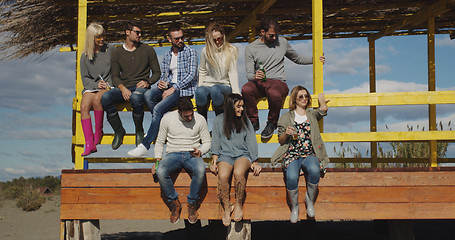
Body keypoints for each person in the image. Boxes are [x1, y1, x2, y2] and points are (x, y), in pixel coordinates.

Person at [242, 16, 325, 139]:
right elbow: (249, 75)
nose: (274, 38)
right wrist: (255, 76)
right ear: (262, 32)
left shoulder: (283, 43)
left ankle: (272, 123)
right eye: (271, 35)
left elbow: (297, 58)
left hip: (277, 82)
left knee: (274, 93)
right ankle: (253, 121)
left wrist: (316, 60)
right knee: (245, 89)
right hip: (259, 82)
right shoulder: (250, 48)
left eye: (276, 35)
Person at [128, 23, 198, 157]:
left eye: (182, 37)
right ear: (169, 39)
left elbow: (191, 75)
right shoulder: (167, 55)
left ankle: (145, 144)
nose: (180, 41)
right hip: (170, 86)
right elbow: (165, 75)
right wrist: (162, 83)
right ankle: (159, 124)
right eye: (176, 38)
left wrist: (173, 88)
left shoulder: (191, 52)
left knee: (158, 109)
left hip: (183, 90)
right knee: (148, 94)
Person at [271, 86, 330, 223]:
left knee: (315, 170)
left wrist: (321, 99)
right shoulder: (286, 118)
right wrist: (286, 133)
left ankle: (309, 201)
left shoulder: (311, 115)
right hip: (292, 154)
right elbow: (280, 141)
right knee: (291, 176)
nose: (304, 99)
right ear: (295, 100)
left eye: (306, 96)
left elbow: (323, 110)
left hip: (309, 153)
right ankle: (295, 207)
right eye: (301, 97)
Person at [101, 21, 161, 150]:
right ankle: (119, 131)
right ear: (127, 32)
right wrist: (122, 88)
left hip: (141, 87)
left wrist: (148, 82)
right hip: (125, 87)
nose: (140, 35)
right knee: (106, 98)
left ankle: (139, 130)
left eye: (141, 32)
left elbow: (157, 72)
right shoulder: (117, 52)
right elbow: (115, 76)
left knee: (136, 97)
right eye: (137, 32)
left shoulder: (148, 50)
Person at [152, 97, 211, 224]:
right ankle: (174, 203)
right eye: (186, 116)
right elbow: (160, 141)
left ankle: (192, 203)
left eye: (191, 115)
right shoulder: (167, 118)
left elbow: (207, 142)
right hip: (173, 153)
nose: (190, 118)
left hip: (192, 153)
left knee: (201, 170)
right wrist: (157, 161)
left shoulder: (200, 119)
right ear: (179, 112)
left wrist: (200, 151)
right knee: (161, 171)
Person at [209, 94, 261, 226]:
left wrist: (254, 161)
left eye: (242, 106)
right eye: (238, 106)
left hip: (242, 154)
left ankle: (238, 204)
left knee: (238, 173)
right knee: (223, 175)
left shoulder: (246, 120)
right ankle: (227, 207)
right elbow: (215, 140)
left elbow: (251, 141)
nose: (241, 109)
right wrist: (214, 160)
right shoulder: (219, 120)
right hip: (225, 155)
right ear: (230, 106)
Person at [79, 23, 112, 156]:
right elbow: (85, 78)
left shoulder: (110, 50)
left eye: (103, 35)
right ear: (91, 38)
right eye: (98, 37)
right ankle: (89, 144)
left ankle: (98, 131)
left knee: (98, 99)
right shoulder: (85, 56)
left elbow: (117, 71)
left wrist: (108, 84)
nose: (102, 39)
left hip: (108, 85)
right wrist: (95, 85)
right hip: (92, 86)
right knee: (84, 106)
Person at [195, 22, 240, 120]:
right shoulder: (205, 51)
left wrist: (236, 93)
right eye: (214, 40)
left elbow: (233, 72)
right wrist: (200, 85)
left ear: (223, 36)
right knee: (199, 91)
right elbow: (202, 70)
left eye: (219, 38)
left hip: (224, 85)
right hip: (208, 84)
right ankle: (202, 124)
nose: (217, 42)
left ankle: (221, 122)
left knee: (215, 90)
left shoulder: (231, 50)